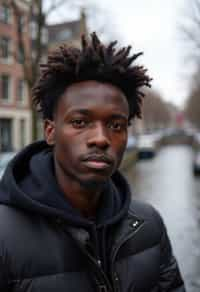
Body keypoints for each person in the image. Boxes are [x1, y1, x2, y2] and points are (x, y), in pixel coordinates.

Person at [0, 32, 185, 292]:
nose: (101, 138)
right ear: (50, 132)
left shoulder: (149, 225)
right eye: (80, 122)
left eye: (116, 125)